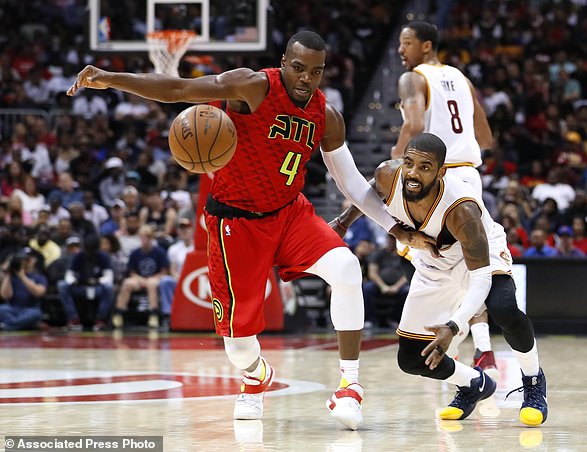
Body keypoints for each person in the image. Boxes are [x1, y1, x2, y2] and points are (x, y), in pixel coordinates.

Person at [68, 30, 431, 430]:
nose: (305, 78)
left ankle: (350, 385)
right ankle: (255, 375)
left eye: (315, 71)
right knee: (238, 344)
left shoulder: (327, 117)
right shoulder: (251, 86)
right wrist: (110, 78)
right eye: (297, 68)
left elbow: (352, 183)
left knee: (346, 268)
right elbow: (177, 88)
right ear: (283, 62)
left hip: (290, 213)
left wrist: (394, 227)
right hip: (234, 222)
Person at [353, 133, 548, 425]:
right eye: (409, 163)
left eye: (425, 167)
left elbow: (481, 280)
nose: (413, 173)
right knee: (410, 359)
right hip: (435, 261)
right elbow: (368, 192)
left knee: (502, 307)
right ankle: (473, 383)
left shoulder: (463, 210)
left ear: (441, 172)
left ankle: (534, 380)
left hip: (480, 256)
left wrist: (453, 326)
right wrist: (344, 221)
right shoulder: (389, 174)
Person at [338, 20, 498, 373]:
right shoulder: (462, 78)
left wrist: (400, 165)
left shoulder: (412, 78)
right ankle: (481, 347)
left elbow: (412, 125)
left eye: (406, 42)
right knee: (460, 264)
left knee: (433, 259)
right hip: (468, 175)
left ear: (425, 46)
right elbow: (485, 136)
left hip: (433, 179)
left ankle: (456, 341)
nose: (400, 50)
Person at [112, 225, 169, 329]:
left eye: (146, 237)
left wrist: (151, 279)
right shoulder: (135, 253)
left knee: (151, 284)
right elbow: (131, 272)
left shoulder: (159, 252)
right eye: (142, 237)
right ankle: (119, 313)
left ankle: (153, 314)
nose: (144, 240)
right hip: (139, 279)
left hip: (154, 278)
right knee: (127, 283)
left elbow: (164, 271)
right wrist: (141, 279)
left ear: (151, 238)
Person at [0, 248, 47, 331]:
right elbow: (5, 296)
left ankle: (8, 326)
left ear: (34, 260)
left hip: (30, 309)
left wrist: (22, 276)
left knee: (36, 313)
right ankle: (21, 325)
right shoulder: (12, 276)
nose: (25, 262)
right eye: (23, 259)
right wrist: (8, 273)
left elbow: (39, 293)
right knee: (2, 308)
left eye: (28, 259)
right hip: (13, 309)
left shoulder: (39, 277)